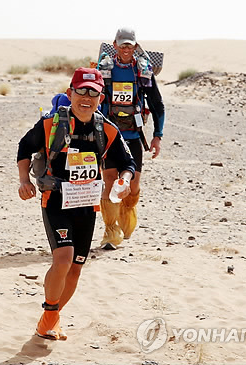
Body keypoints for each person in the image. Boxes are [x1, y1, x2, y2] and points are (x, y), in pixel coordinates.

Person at [17, 67, 136, 340]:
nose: (86, 97)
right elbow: (25, 148)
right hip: (56, 201)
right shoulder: (51, 124)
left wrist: (125, 179)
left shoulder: (106, 129)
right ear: (70, 93)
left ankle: (50, 318)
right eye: (81, 90)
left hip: (87, 205)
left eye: (93, 92)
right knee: (63, 259)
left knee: (76, 268)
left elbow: (127, 162)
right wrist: (24, 180)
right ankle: (48, 316)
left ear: (101, 97)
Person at [98, 27, 165, 250]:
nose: (126, 49)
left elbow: (157, 105)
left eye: (130, 45)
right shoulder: (104, 69)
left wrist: (158, 136)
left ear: (135, 46)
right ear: (115, 45)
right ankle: (110, 231)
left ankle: (127, 214)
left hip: (133, 136)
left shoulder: (143, 71)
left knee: (132, 184)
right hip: (108, 134)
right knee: (109, 180)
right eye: (122, 44)